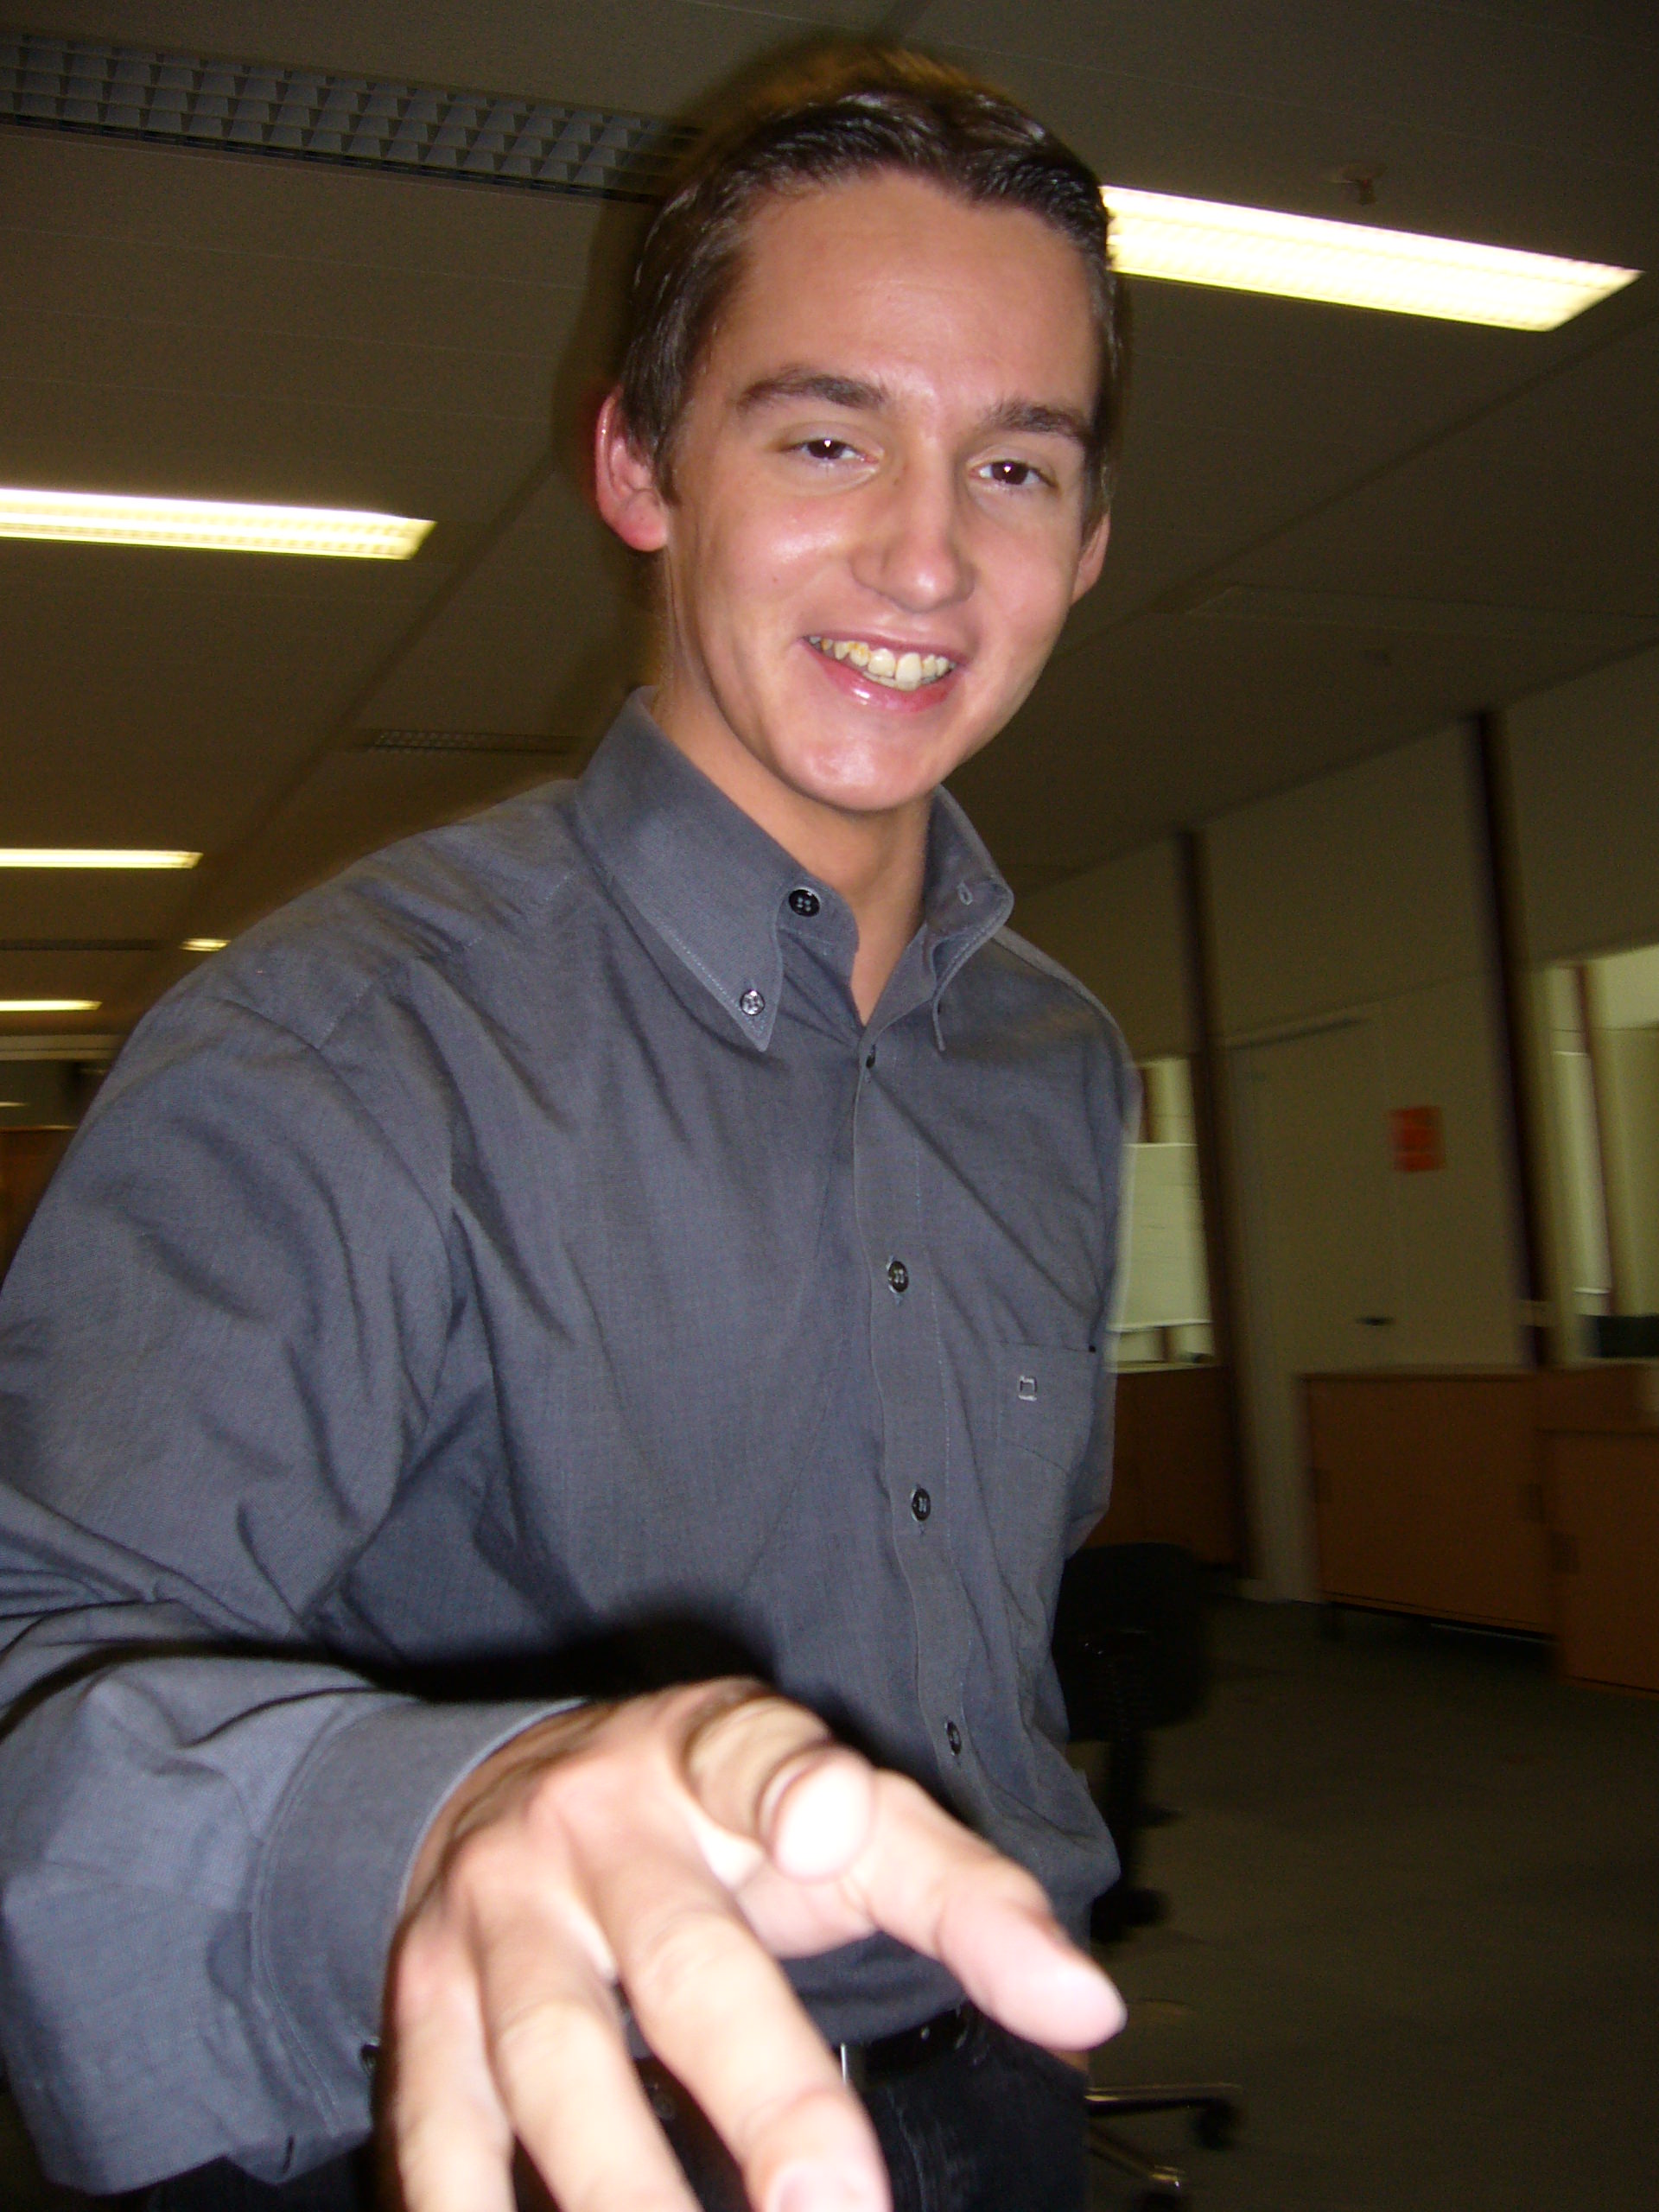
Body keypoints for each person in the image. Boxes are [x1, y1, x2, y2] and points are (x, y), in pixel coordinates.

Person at [0, 41, 1137, 2212]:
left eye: (1013, 466)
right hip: (552, 2114)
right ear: (638, 465)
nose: (923, 556)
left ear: (1085, 545)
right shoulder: (338, 1045)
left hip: (1003, 2072)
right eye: (826, 436)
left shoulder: (1059, 1062)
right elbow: (29, 1648)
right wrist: (444, 1811)